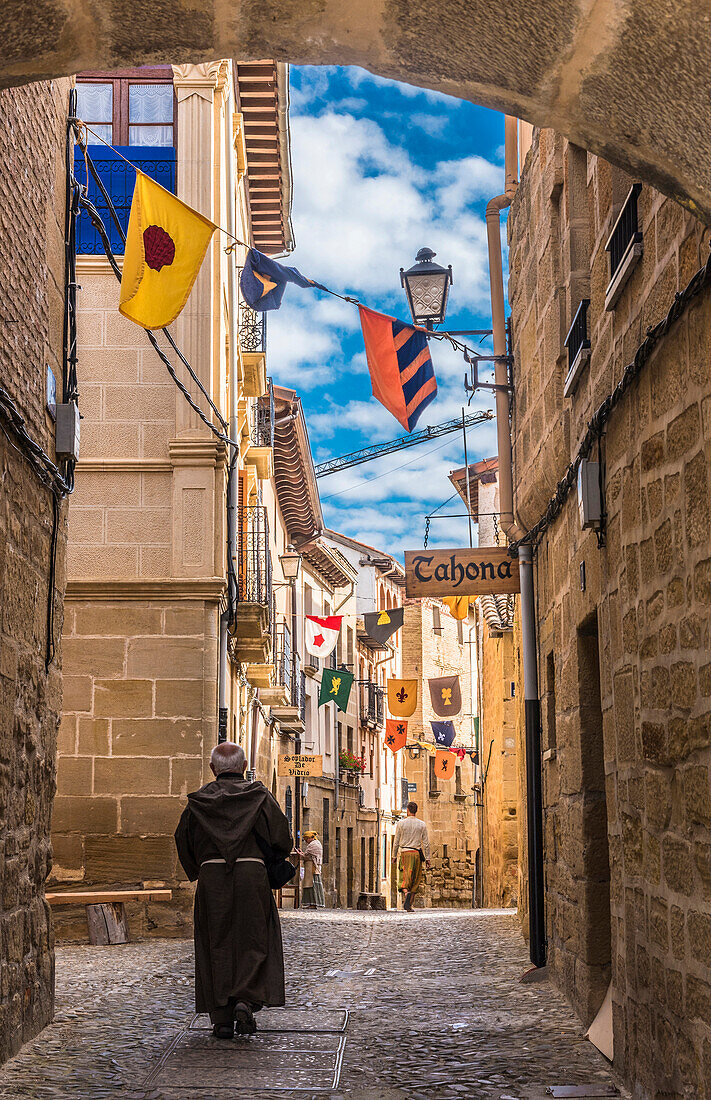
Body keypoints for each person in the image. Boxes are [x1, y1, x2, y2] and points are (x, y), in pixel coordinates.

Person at [174, 742, 293, 1039]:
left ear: (214, 769)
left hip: (212, 875)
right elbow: (281, 837)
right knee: (255, 939)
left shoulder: (198, 802)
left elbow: (182, 838)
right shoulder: (260, 797)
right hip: (252, 874)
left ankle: (222, 1018)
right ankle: (245, 999)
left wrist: (200, 867)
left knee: (215, 941)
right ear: (243, 767)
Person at [392, 801, 431, 911]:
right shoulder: (422, 824)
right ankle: (409, 905)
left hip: (405, 853)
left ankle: (406, 893)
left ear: (408, 810)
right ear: (416, 811)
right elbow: (426, 843)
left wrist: (394, 855)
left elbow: (396, 841)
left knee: (404, 876)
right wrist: (428, 858)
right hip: (417, 854)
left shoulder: (401, 824)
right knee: (415, 879)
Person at [296, 830, 325, 909]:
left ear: (310, 838)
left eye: (306, 839)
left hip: (313, 868)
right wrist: (302, 853)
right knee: (309, 885)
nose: (305, 841)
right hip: (310, 868)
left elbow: (307, 856)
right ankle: (311, 903)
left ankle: (313, 904)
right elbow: (307, 855)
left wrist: (300, 854)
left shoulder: (314, 844)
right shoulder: (314, 844)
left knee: (313, 885)